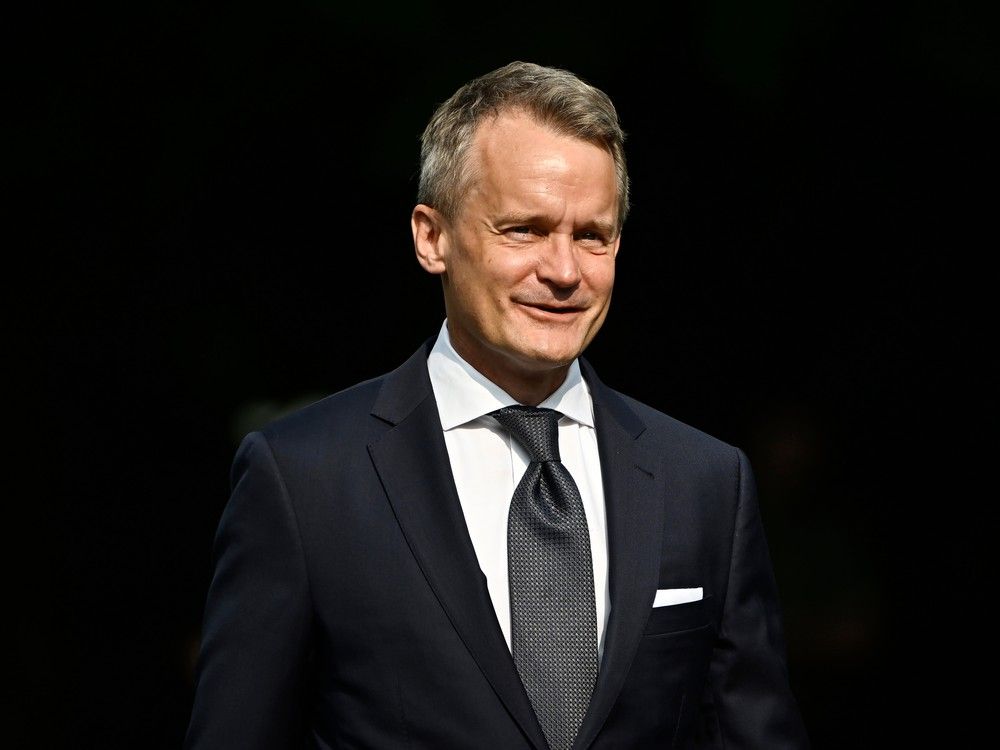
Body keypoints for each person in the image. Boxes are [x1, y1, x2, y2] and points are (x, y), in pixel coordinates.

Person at [184, 60, 810, 749]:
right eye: (524, 230)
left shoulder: (704, 483)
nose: (564, 271)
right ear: (433, 238)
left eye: (591, 236)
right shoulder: (306, 480)